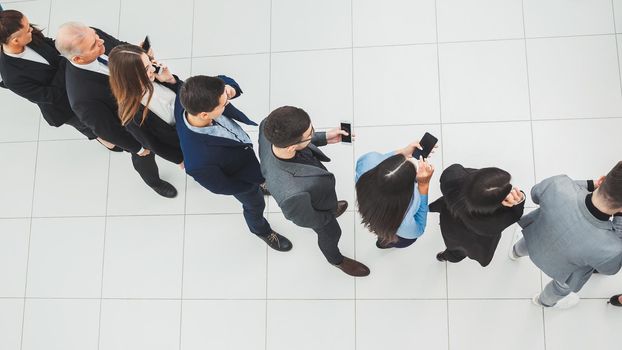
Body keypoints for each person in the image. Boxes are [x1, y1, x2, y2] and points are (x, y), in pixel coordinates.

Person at [55, 22, 177, 198]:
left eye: (96, 36)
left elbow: (119, 46)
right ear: (78, 59)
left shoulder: (92, 35)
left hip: (150, 97)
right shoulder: (82, 97)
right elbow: (107, 129)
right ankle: (154, 182)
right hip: (134, 124)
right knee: (145, 157)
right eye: (94, 45)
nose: (101, 41)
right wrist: (139, 147)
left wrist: (138, 54)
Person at [174, 75, 291, 252]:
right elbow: (221, 187)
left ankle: (259, 182)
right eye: (223, 104)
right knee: (255, 205)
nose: (227, 103)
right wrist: (248, 186)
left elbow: (221, 79)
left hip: (244, 157)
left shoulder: (187, 94)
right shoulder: (199, 161)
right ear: (205, 114)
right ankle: (261, 230)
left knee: (260, 177)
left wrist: (230, 88)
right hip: (241, 180)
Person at [258, 105, 370, 277]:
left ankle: (331, 207)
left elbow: (300, 141)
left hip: (317, 193)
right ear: (291, 148)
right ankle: (336, 260)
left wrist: (324, 137)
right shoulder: (291, 194)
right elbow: (305, 219)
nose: (312, 135)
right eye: (310, 134)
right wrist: (327, 218)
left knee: (327, 203)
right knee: (332, 233)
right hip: (315, 212)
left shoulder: (269, 126)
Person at [510, 162, 622, 309]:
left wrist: (590, 184)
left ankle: (515, 253)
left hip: (535, 238)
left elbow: (535, 194)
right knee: (560, 288)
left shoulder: (559, 184)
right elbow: (609, 270)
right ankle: (542, 302)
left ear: (601, 180)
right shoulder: (612, 248)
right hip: (565, 273)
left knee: (525, 244)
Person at [0, 10, 99, 141]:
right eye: (27, 29)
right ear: (15, 40)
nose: (31, 29)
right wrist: (65, 61)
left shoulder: (29, 36)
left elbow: (52, 45)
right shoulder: (12, 77)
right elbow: (51, 95)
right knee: (90, 126)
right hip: (64, 105)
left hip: (76, 82)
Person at [429, 164, 525, 267]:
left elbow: (454, 169)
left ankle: (444, 256)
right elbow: (516, 213)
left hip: (450, 220)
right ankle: (444, 257)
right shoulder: (497, 221)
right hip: (474, 241)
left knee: (453, 247)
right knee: (460, 252)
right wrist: (520, 198)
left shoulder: (452, 177)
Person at [108, 44, 183, 167]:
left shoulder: (156, 77)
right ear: (131, 77)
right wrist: (180, 159)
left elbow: (187, 94)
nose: (153, 69)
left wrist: (171, 80)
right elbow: (154, 145)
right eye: (147, 68)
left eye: (150, 63)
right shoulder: (132, 116)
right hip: (185, 140)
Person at [355, 142, 434, 249]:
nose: (409, 159)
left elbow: (383, 161)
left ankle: (382, 240)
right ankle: (385, 242)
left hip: (373, 215)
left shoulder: (368, 161)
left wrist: (404, 152)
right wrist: (423, 185)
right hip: (395, 230)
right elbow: (419, 229)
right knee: (394, 239)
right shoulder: (405, 221)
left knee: (383, 234)